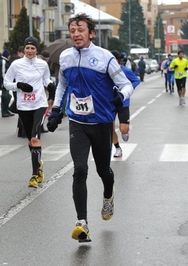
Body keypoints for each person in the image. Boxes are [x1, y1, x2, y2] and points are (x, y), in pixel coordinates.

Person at [46, 13, 134, 242]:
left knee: (103, 171)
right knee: (80, 169)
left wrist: (119, 99)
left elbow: (126, 85)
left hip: (102, 122)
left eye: (80, 30)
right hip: (78, 122)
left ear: (91, 33)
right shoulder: (65, 57)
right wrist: (56, 110)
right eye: (72, 31)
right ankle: (82, 223)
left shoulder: (104, 57)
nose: (76, 34)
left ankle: (108, 195)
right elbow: (62, 83)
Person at [3, 36, 56, 188]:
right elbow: (6, 83)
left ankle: (34, 175)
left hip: (39, 104)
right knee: (30, 140)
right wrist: (19, 85)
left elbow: (46, 80)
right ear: (24, 49)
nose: (30, 51)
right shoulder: (16, 64)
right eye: (28, 48)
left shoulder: (42, 64)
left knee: (35, 138)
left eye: (33, 48)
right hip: (24, 106)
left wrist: (50, 85)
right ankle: (38, 162)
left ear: (36, 50)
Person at [111, 50, 140, 158]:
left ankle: (125, 132)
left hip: (123, 103)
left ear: (118, 61)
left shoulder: (125, 71)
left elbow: (136, 81)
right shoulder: (105, 72)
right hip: (110, 103)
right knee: (110, 128)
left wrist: (127, 91)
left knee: (123, 129)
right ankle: (117, 148)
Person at [0, 50, 14, 118]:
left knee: (6, 96)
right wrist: (5, 81)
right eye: (9, 55)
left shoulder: (5, 61)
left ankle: (6, 110)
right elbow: (3, 72)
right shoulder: (3, 62)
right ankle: (4, 111)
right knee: (5, 96)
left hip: (5, 82)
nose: (10, 57)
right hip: (4, 82)